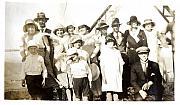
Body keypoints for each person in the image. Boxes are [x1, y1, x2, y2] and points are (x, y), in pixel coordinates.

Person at [34, 12, 59, 100]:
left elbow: (56, 40)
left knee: (50, 71)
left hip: (49, 55)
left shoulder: (50, 31)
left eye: (43, 20)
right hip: (39, 54)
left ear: (45, 21)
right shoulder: (35, 31)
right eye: (39, 20)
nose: (41, 22)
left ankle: (51, 95)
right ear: (37, 21)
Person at [78, 24, 102, 101]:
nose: (81, 29)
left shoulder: (93, 37)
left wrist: (94, 54)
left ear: (87, 29)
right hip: (83, 58)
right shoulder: (79, 37)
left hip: (92, 57)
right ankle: (86, 94)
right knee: (84, 76)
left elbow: (98, 46)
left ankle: (96, 94)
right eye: (80, 29)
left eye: (83, 28)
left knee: (94, 75)